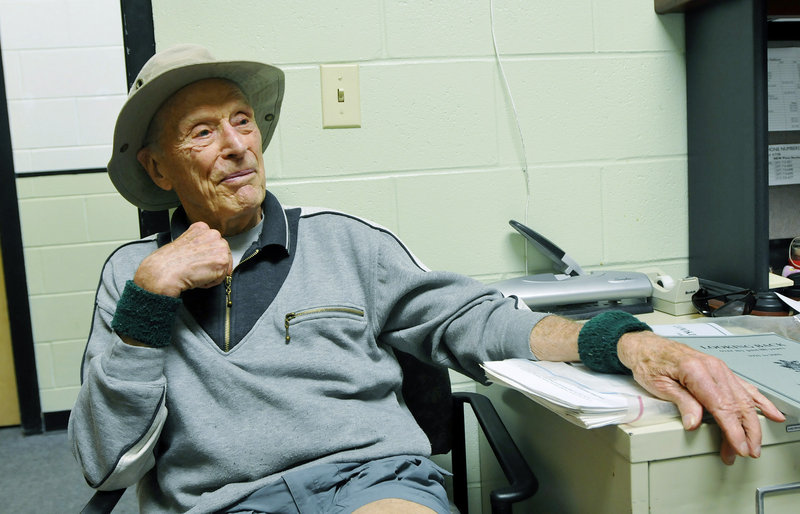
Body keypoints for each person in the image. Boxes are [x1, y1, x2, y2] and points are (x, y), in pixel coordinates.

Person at [68, 44, 785, 514]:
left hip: (368, 486)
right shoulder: (132, 281)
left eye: (243, 122)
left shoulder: (346, 243)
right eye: (201, 132)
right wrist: (149, 301)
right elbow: (106, 465)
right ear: (159, 170)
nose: (235, 147)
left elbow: (480, 320)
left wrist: (626, 343)